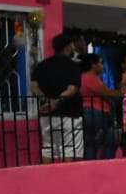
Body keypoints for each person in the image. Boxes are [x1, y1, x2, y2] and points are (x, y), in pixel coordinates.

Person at [30, 33, 85, 162]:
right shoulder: (73, 66)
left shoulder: (41, 65)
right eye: (72, 46)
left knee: (48, 148)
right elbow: (72, 89)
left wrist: (45, 100)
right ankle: (67, 180)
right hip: (69, 113)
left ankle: (48, 180)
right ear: (67, 47)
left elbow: (34, 86)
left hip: (46, 113)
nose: (73, 48)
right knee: (69, 149)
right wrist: (56, 102)